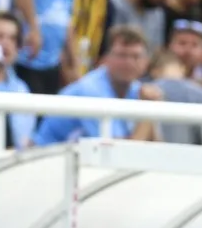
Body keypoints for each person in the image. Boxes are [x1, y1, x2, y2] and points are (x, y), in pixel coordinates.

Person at [33, 25, 162, 145]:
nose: (128, 62)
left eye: (135, 56)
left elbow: (157, 146)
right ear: (105, 58)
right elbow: (120, 154)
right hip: (46, 159)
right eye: (122, 55)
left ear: (146, 62)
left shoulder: (138, 90)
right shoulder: (90, 90)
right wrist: (148, 110)